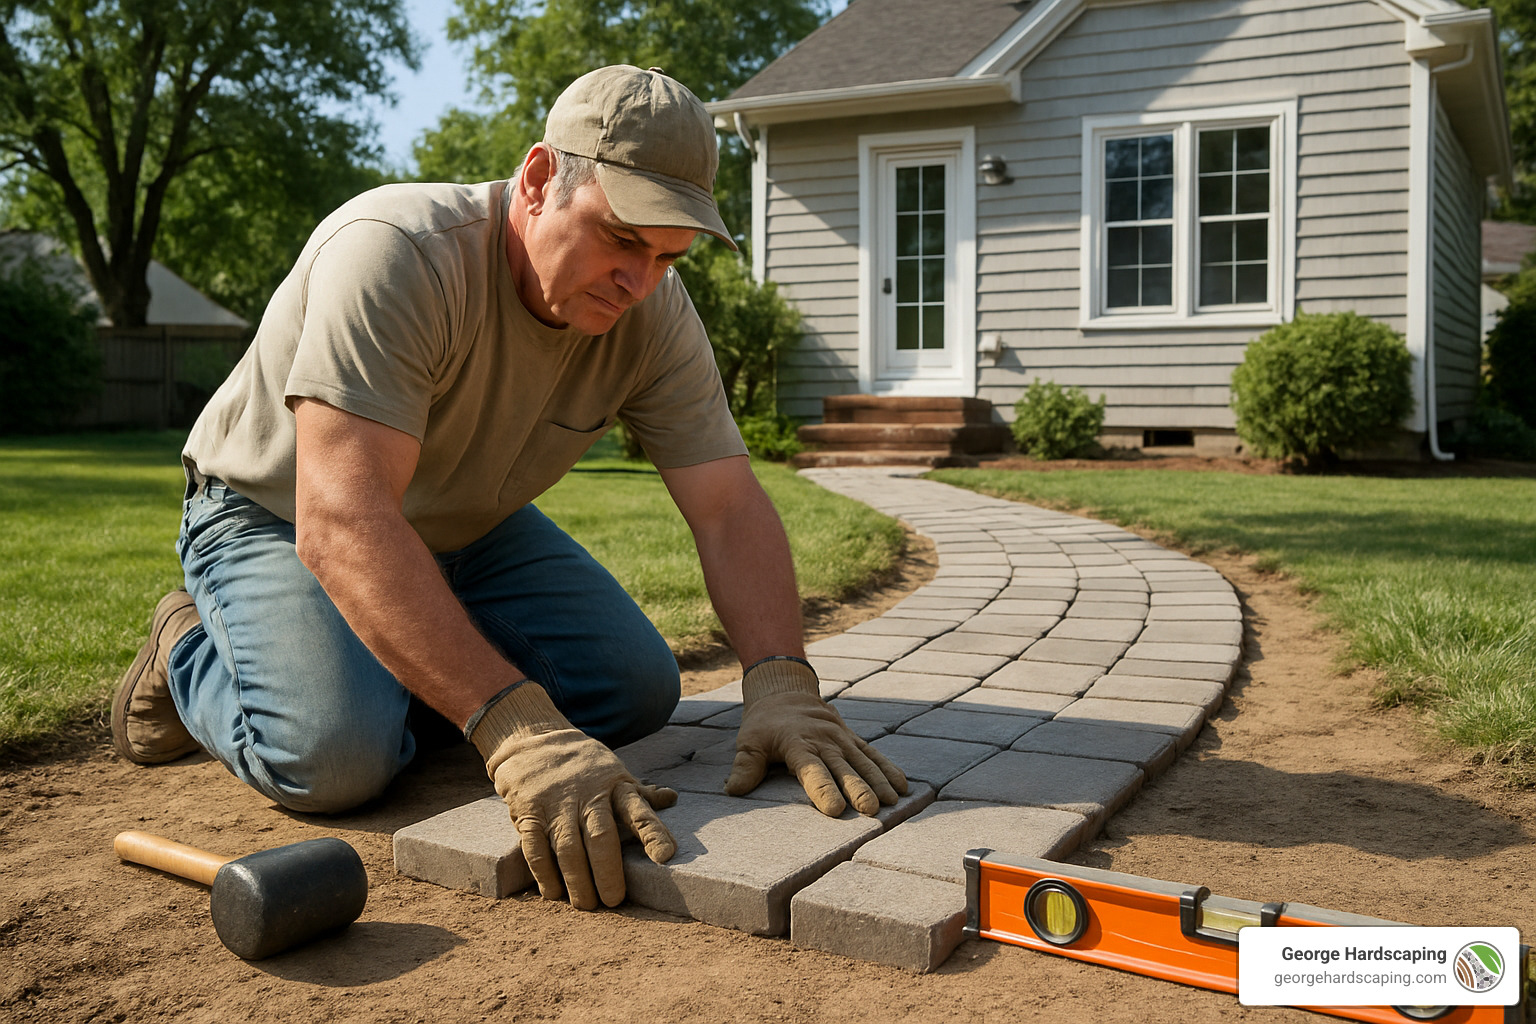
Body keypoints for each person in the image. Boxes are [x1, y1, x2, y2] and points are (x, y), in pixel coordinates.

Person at [110, 65, 906, 911]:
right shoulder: (398, 251)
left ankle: (391, 669)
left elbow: (727, 505)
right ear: (537, 181)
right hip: (274, 511)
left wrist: (782, 684)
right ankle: (189, 643)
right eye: (623, 238)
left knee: (635, 691)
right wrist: (517, 730)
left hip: (464, 528)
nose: (639, 281)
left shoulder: (654, 312)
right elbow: (342, 520)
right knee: (336, 760)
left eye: (669, 256)